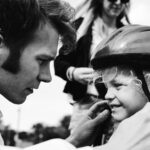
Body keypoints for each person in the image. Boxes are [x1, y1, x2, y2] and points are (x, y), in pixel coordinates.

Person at [0, 1, 149, 149]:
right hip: (85, 99)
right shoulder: (83, 27)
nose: (47, 77)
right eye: (41, 60)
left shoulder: (125, 30)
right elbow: (62, 62)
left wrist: (72, 143)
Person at [54, 0, 130, 135]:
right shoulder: (81, 26)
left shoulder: (127, 32)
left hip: (118, 105)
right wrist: (73, 72)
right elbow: (59, 63)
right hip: (85, 105)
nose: (118, 2)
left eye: (123, 0)